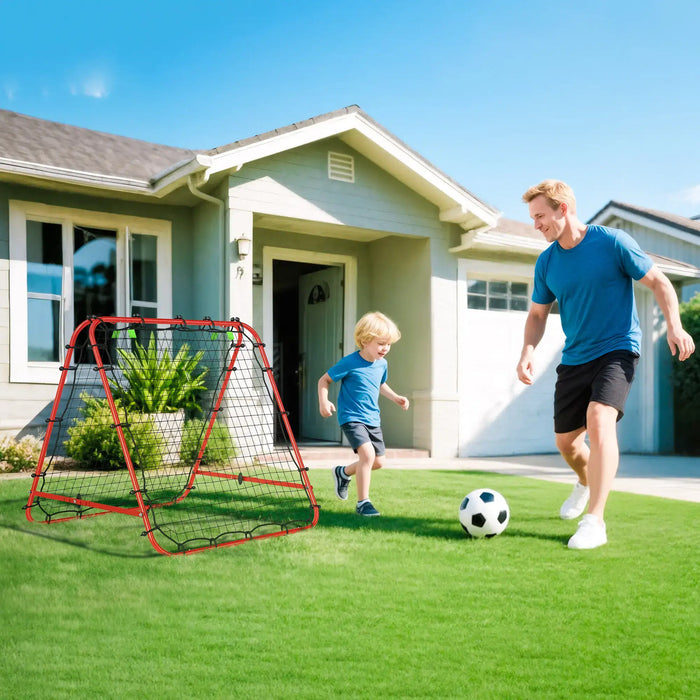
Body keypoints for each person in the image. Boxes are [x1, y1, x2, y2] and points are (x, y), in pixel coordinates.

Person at [517, 180, 695, 550]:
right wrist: (528, 351)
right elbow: (537, 314)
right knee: (566, 443)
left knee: (600, 418)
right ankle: (584, 481)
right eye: (532, 218)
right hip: (575, 357)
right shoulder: (547, 261)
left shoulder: (612, 242)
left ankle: (595, 520)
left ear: (562, 209)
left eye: (539, 216)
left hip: (617, 349)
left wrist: (675, 327)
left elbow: (660, 282)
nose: (535, 225)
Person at [318, 311, 410, 516]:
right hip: (351, 417)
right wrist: (324, 401)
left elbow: (380, 384)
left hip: (372, 418)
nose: (385, 348)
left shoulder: (382, 364)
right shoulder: (349, 362)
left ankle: (343, 472)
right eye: (381, 343)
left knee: (378, 462)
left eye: (389, 344)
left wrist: (395, 397)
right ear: (365, 340)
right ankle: (363, 503)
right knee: (367, 455)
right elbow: (324, 380)